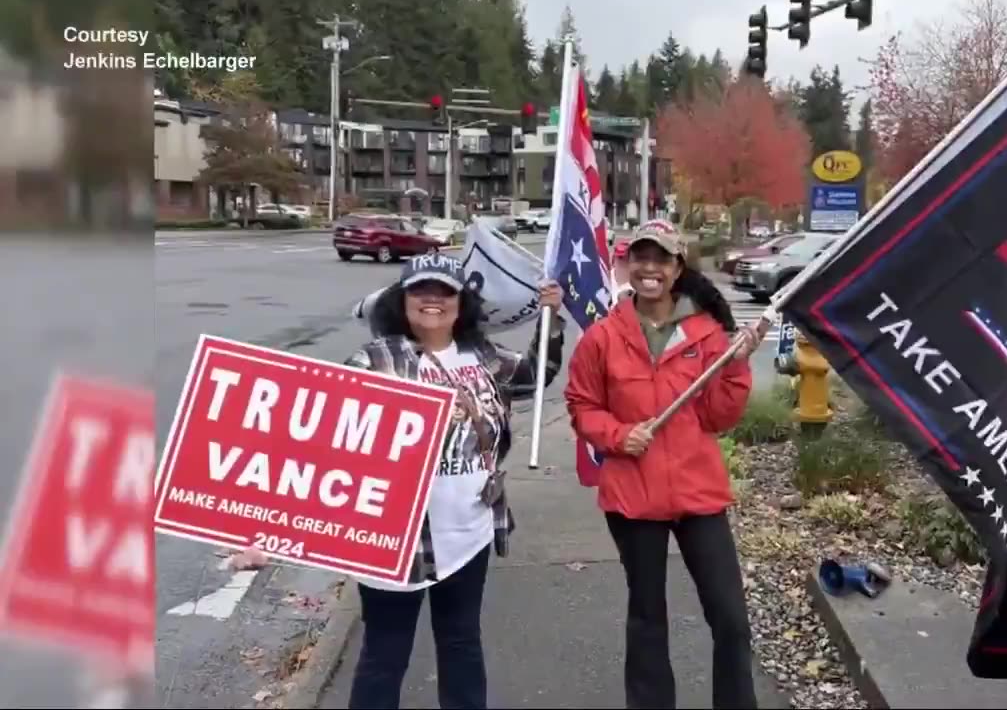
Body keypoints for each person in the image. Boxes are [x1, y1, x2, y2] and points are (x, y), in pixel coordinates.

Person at [247, 252, 564, 710]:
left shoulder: (483, 355)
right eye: (421, 290)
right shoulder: (374, 361)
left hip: (469, 532)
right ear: (403, 300)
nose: (432, 300)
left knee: (461, 645)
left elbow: (536, 377)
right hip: (396, 540)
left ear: (461, 303)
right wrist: (272, 534)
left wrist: (551, 322)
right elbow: (318, 448)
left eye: (444, 291)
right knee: (385, 654)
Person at [563, 219, 765, 709]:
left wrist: (736, 365)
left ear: (677, 268)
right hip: (634, 496)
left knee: (731, 619)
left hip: (698, 494)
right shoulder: (603, 338)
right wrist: (617, 435)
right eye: (641, 257)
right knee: (648, 617)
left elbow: (719, 417)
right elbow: (582, 405)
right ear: (628, 265)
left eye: (661, 259)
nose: (649, 267)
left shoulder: (708, 333)